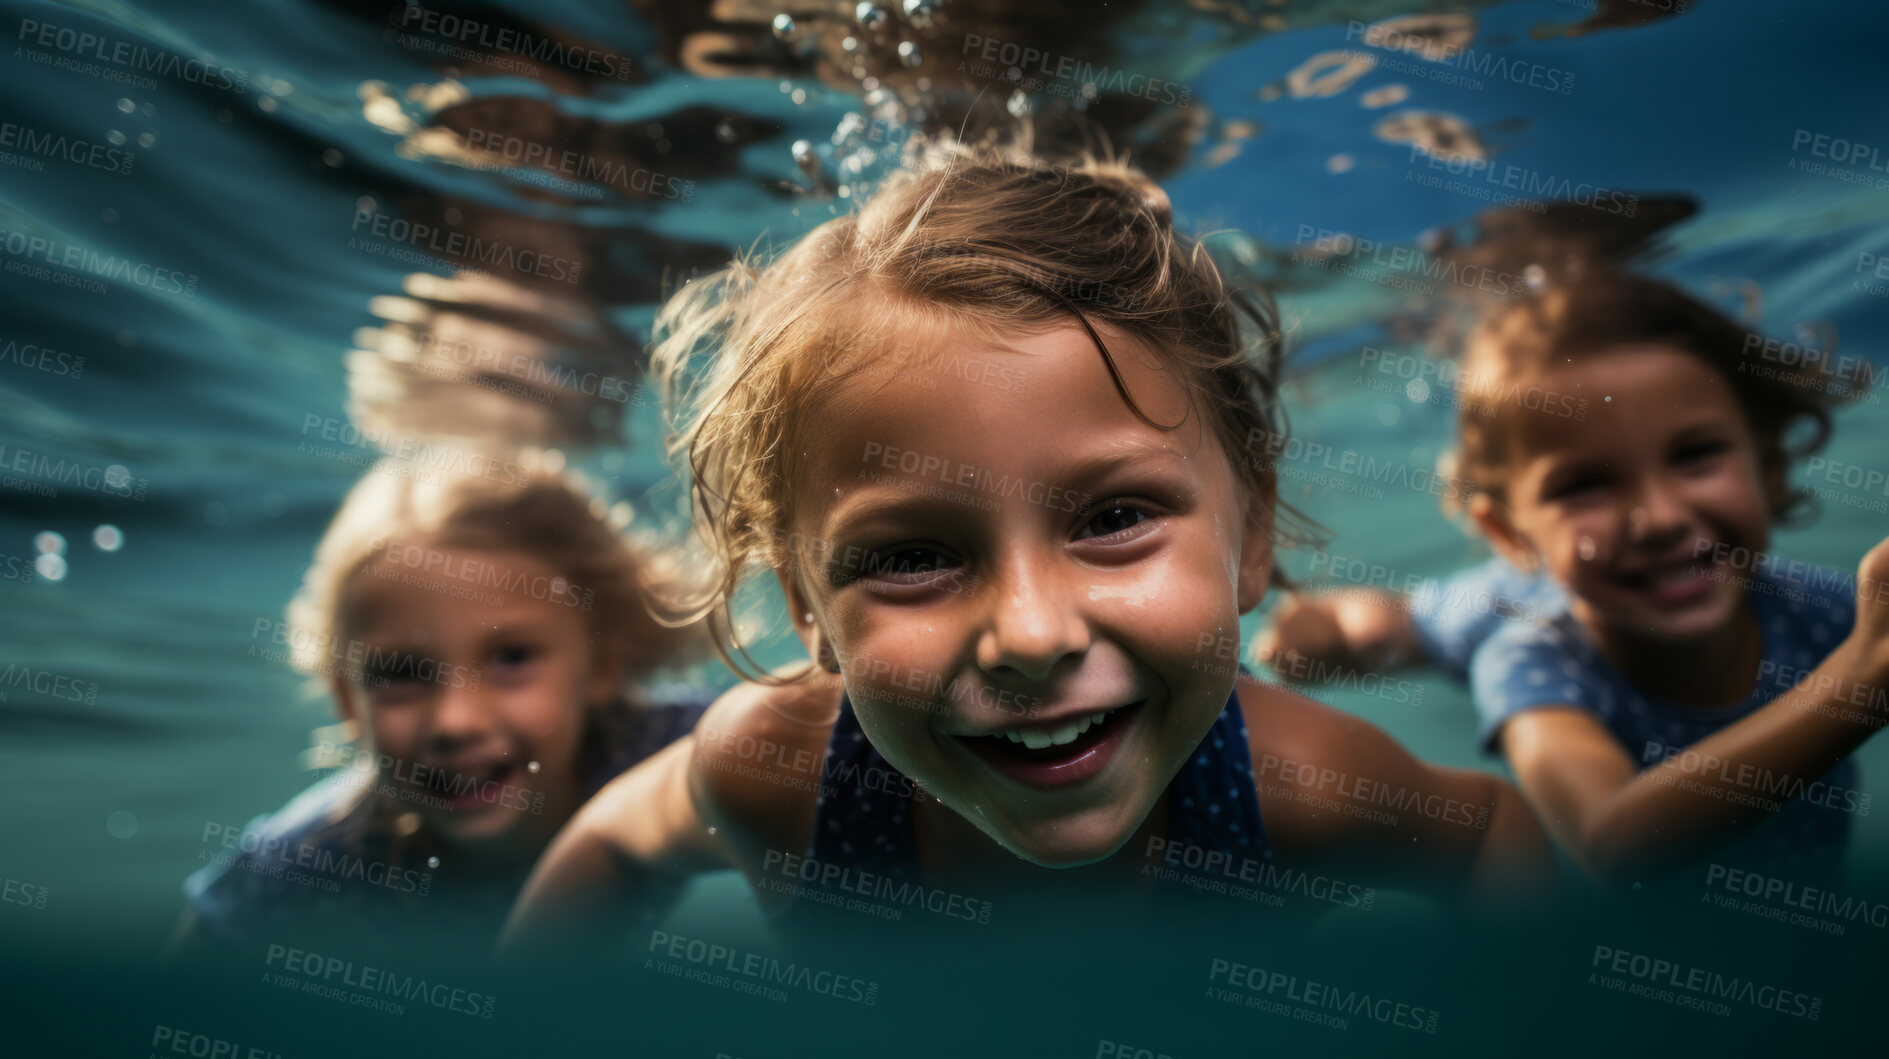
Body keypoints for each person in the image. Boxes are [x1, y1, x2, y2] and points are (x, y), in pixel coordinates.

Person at [501, 144, 1556, 955]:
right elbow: (620, 837)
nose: (1032, 635)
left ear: (1252, 538)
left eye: (1110, 521)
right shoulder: (776, 776)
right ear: (807, 608)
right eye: (911, 556)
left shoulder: (1296, 793)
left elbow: (1485, 832)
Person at [1258, 271, 1888, 885]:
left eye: (1695, 455)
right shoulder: (1529, 664)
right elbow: (1611, 841)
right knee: (1387, 628)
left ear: (1769, 467)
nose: (1660, 518)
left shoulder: (1824, 611)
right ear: (1507, 533)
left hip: (1563, 582)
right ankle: (1344, 619)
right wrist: (1857, 686)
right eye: (1585, 484)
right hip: (1517, 610)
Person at [172, 453, 707, 954]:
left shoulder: (679, 751)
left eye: (512, 658)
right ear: (348, 701)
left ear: (602, 665)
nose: (456, 721)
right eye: (400, 674)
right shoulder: (300, 869)